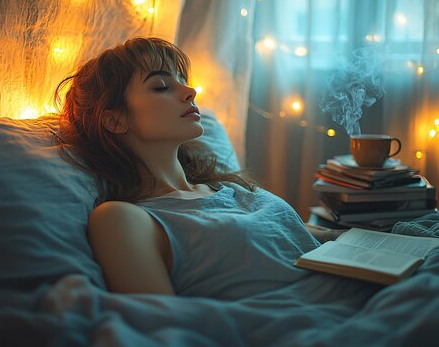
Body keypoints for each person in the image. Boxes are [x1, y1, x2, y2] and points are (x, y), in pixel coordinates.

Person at [53, 37, 340, 299]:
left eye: (182, 80)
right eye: (161, 86)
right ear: (115, 121)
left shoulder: (230, 190)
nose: (190, 91)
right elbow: (161, 323)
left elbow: (303, 237)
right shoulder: (123, 218)